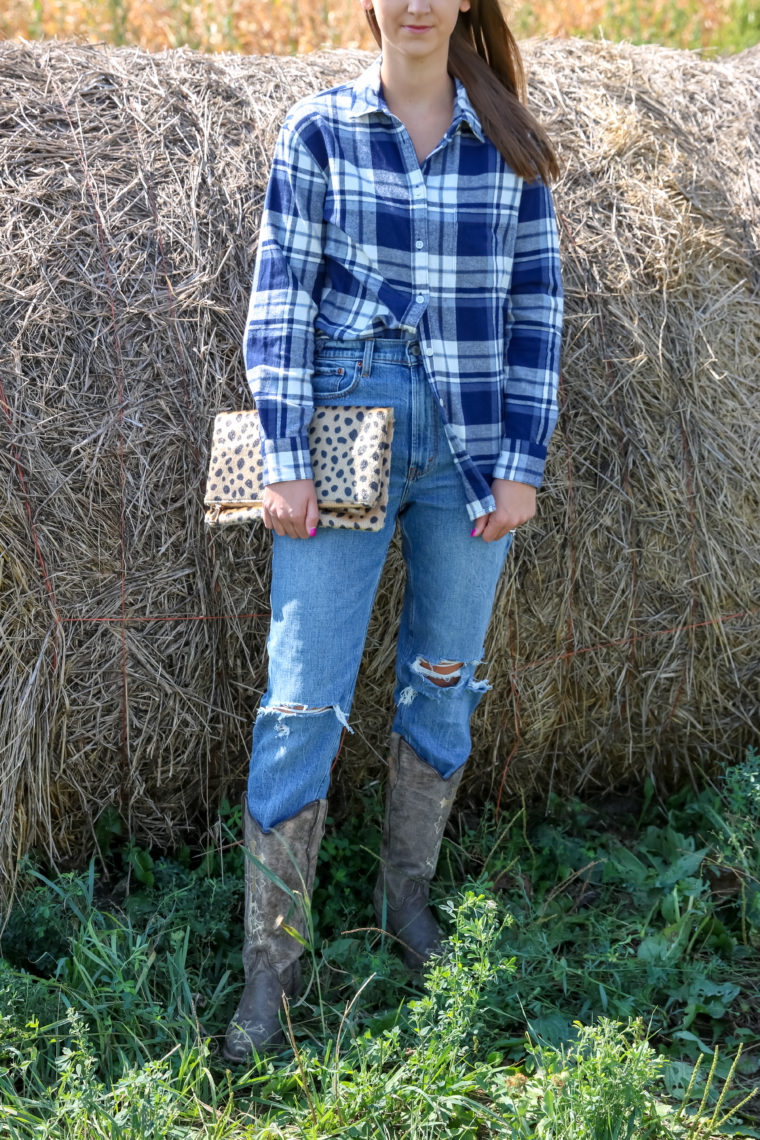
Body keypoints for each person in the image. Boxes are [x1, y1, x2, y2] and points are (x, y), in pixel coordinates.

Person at [223, 0, 563, 1062]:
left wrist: (521, 464)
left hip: (468, 446)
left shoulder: (506, 137)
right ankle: (269, 972)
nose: (415, 2)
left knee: (446, 674)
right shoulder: (319, 128)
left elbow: (536, 308)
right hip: (339, 429)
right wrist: (279, 456)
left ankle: (403, 901)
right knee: (299, 698)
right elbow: (280, 292)